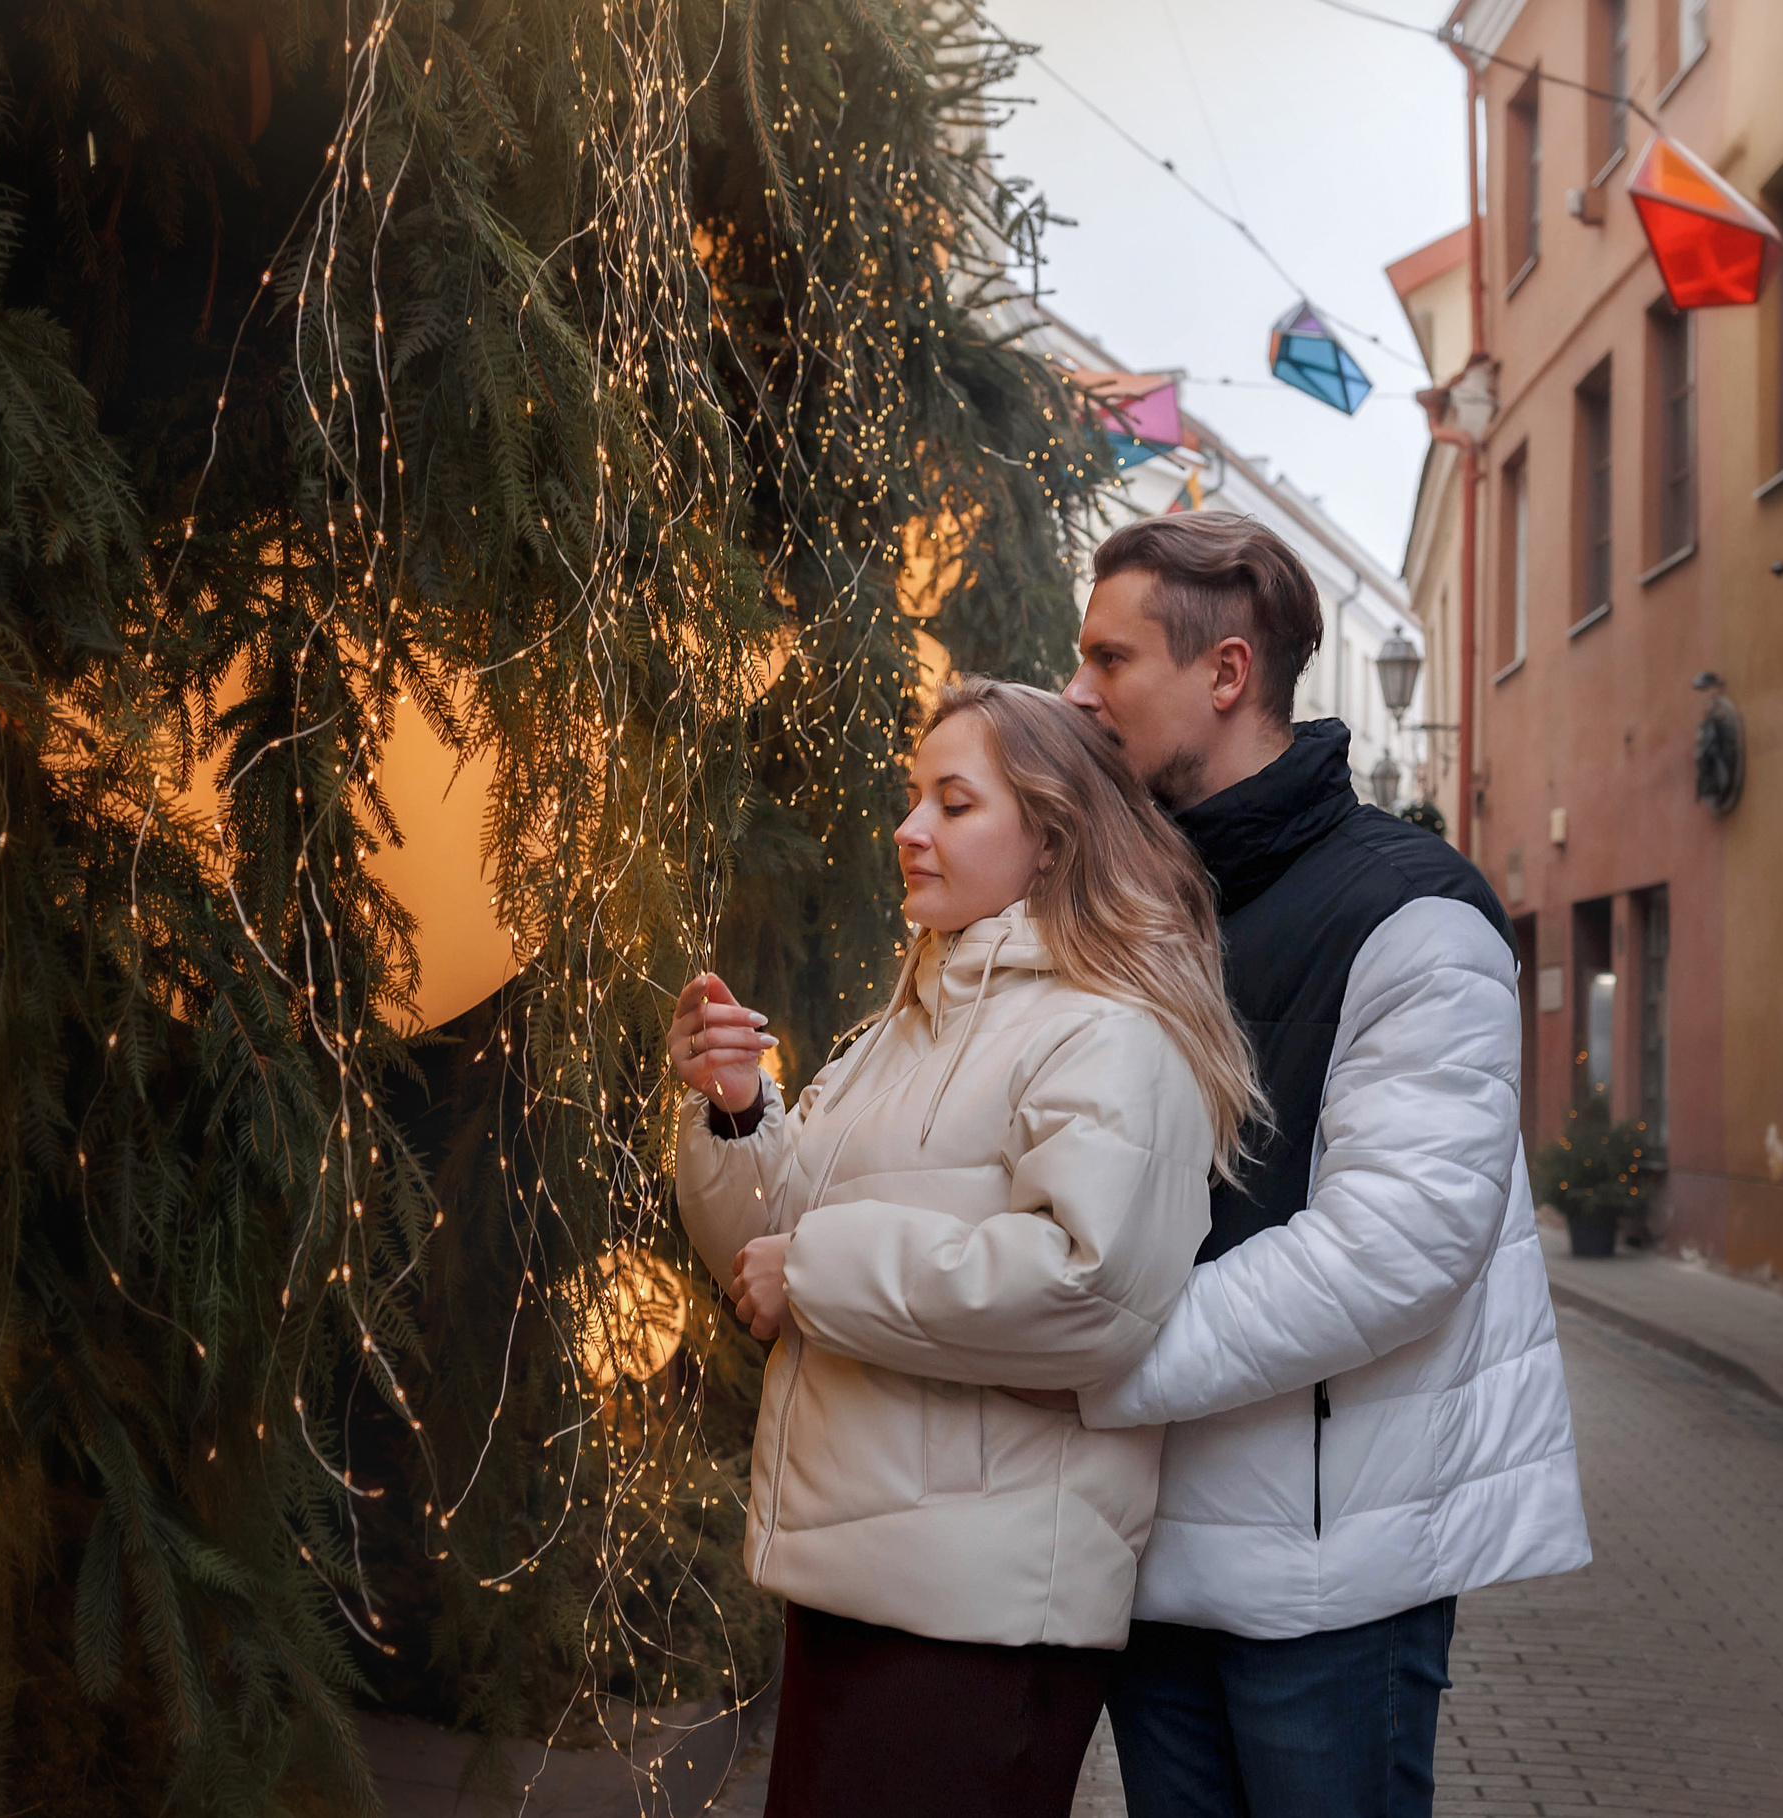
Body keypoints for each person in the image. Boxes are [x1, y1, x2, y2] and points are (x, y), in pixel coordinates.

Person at [1052, 512, 1591, 1818]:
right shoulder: (1127, 909)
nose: (1077, 691)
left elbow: (1392, 1247)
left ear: (1226, 675)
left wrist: (1086, 1363)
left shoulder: (1411, 910)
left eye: (1110, 657)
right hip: (1149, 1543)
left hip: (1331, 1572)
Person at [665, 678, 1266, 1818]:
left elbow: (1088, 1292)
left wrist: (817, 1269)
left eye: (953, 803)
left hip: (977, 1611)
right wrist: (738, 1111)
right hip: (853, 1578)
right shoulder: (908, 1022)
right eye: (911, 799)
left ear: (1049, 838)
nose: (909, 830)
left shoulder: (1107, 1028)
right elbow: (764, 1262)